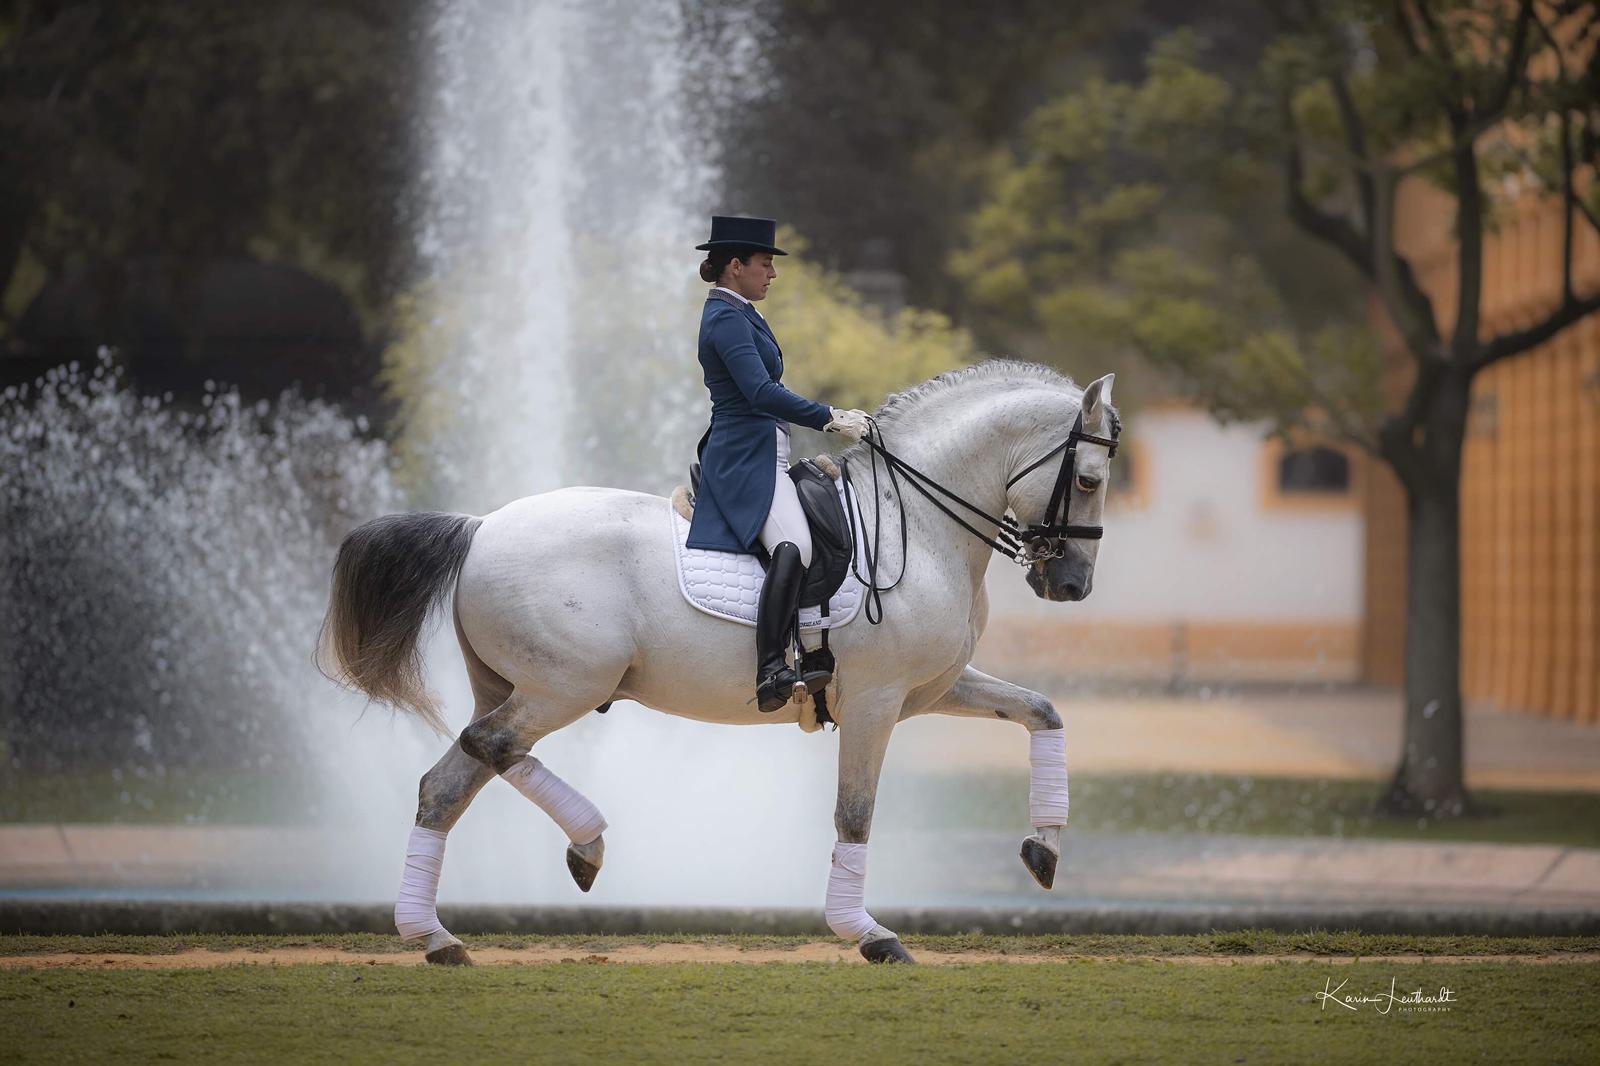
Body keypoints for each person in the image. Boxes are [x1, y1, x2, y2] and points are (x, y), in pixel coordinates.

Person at [685, 214, 871, 713]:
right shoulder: (725, 318)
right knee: (793, 545)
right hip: (743, 457)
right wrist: (829, 417)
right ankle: (771, 667)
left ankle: (815, 647)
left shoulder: (742, 311)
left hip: (766, 451)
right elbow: (760, 392)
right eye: (765, 263)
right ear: (735, 265)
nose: (772, 273)